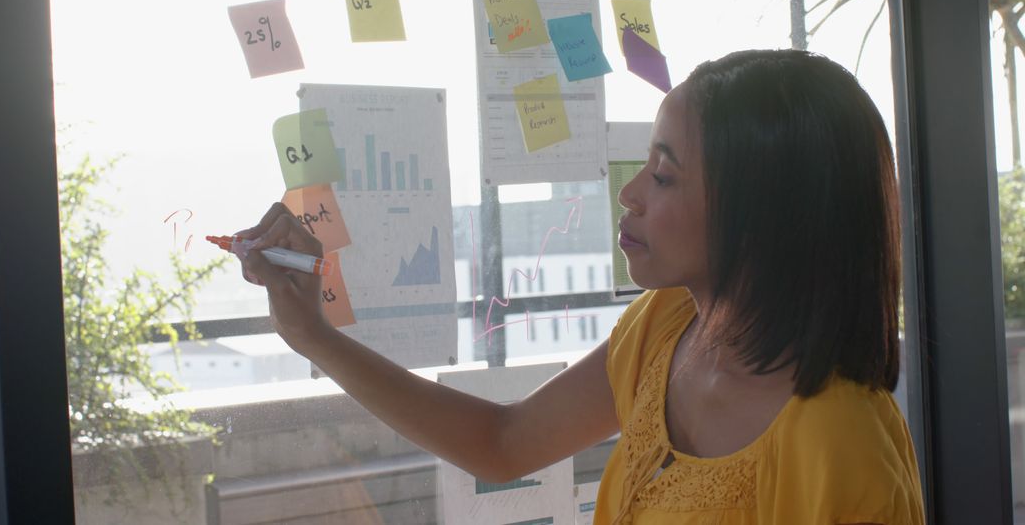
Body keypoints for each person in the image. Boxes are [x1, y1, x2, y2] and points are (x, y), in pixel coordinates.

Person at [236, 49, 925, 524]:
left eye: (662, 175)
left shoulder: (839, 440)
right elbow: (502, 442)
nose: (627, 194)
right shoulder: (666, 327)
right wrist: (310, 335)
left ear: (760, 214)